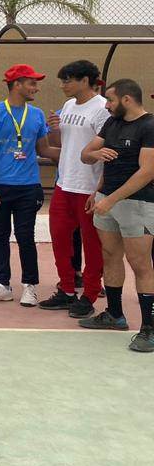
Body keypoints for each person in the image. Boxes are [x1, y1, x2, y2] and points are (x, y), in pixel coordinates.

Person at [80, 78, 154, 351]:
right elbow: (85, 154)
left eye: (110, 100)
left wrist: (110, 199)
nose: (106, 105)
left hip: (138, 204)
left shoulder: (149, 126)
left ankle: (149, 329)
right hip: (106, 202)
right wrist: (99, 187)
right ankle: (114, 314)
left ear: (126, 99)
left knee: (140, 264)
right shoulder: (112, 123)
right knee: (110, 256)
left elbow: (147, 172)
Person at [0, 64, 59, 306]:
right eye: (32, 83)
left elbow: (44, 149)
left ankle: (30, 286)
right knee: (0, 236)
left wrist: (77, 153)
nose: (36, 88)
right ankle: (2, 284)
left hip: (28, 186)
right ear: (17, 84)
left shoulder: (37, 114)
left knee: (26, 237)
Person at [39, 60, 109, 317]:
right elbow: (63, 144)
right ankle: (67, 290)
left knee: (92, 245)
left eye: (67, 80)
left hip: (89, 187)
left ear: (85, 81)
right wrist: (55, 130)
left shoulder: (102, 109)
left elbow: (106, 151)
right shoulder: (68, 106)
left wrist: (99, 190)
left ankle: (89, 294)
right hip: (64, 183)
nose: (63, 85)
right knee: (59, 239)